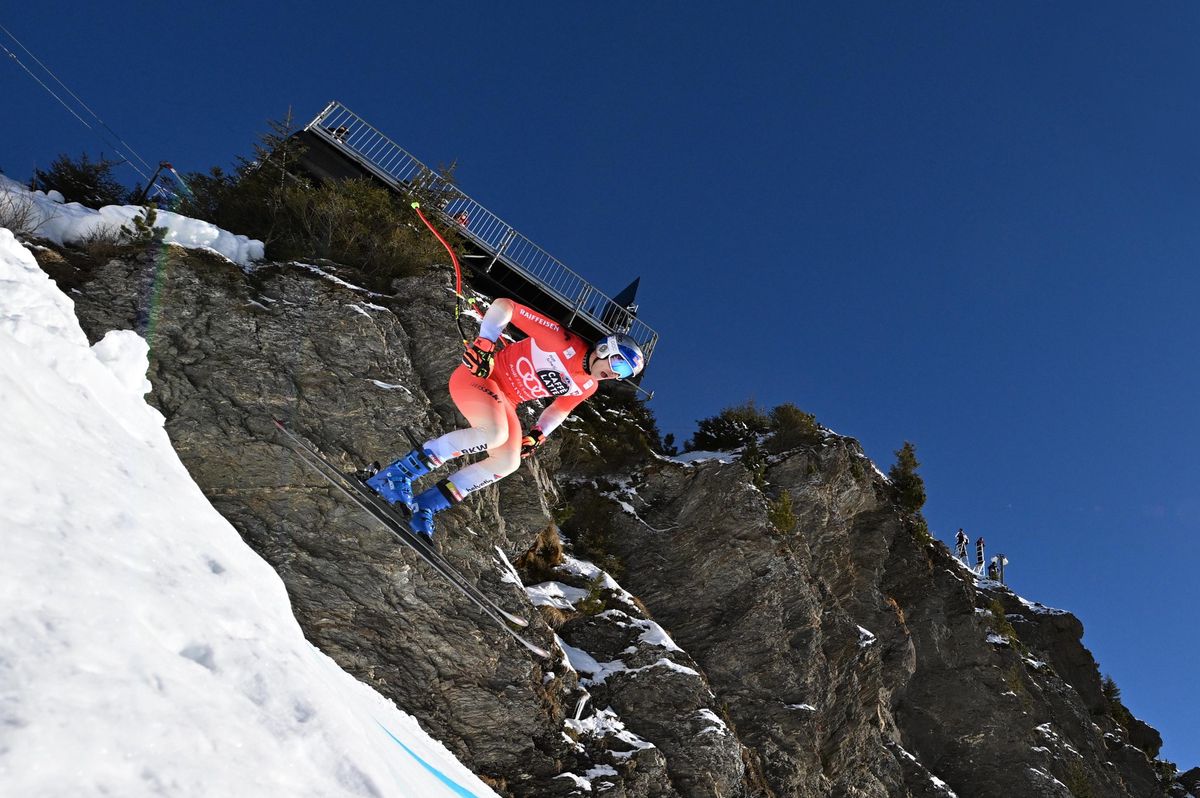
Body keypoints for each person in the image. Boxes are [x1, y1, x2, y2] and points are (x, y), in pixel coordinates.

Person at [366, 297, 645, 539]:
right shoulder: (560, 341)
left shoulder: (588, 386)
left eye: (624, 374)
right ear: (604, 349)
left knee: (508, 461)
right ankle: (396, 475)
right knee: (494, 434)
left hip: (505, 400)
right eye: (618, 363)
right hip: (480, 377)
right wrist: (485, 344)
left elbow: (560, 409)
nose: (615, 374)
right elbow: (505, 306)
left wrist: (538, 433)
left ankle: (426, 505)